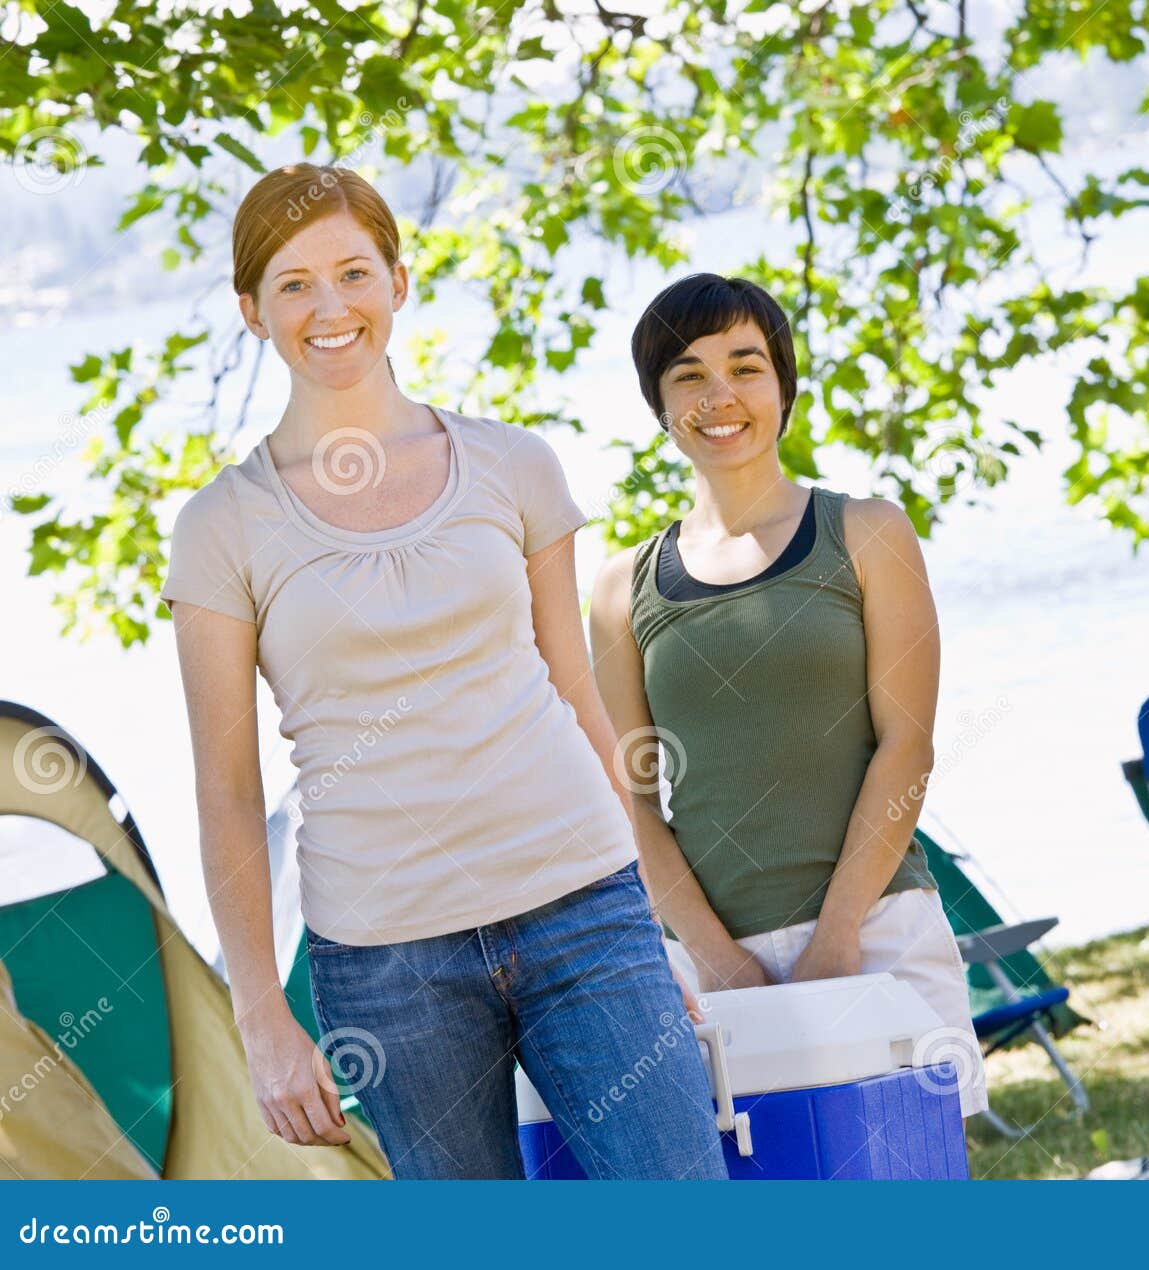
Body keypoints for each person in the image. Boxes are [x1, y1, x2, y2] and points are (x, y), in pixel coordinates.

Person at [159, 165, 727, 1180]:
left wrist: (655, 926)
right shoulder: (221, 529)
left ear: (398, 282)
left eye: (352, 272)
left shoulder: (514, 466)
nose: (329, 309)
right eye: (293, 285)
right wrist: (260, 1013)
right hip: (388, 963)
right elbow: (228, 790)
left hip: (583, 908)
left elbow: (581, 699)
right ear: (251, 310)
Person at [589, 272, 989, 1118]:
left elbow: (905, 746)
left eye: (745, 365)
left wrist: (839, 932)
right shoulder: (622, 589)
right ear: (659, 404)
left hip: (879, 931)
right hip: (711, 969)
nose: (719, 394)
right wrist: (719, 959)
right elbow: (629, 804)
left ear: (784, 386)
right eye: (688, 374)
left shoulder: (869, 531)